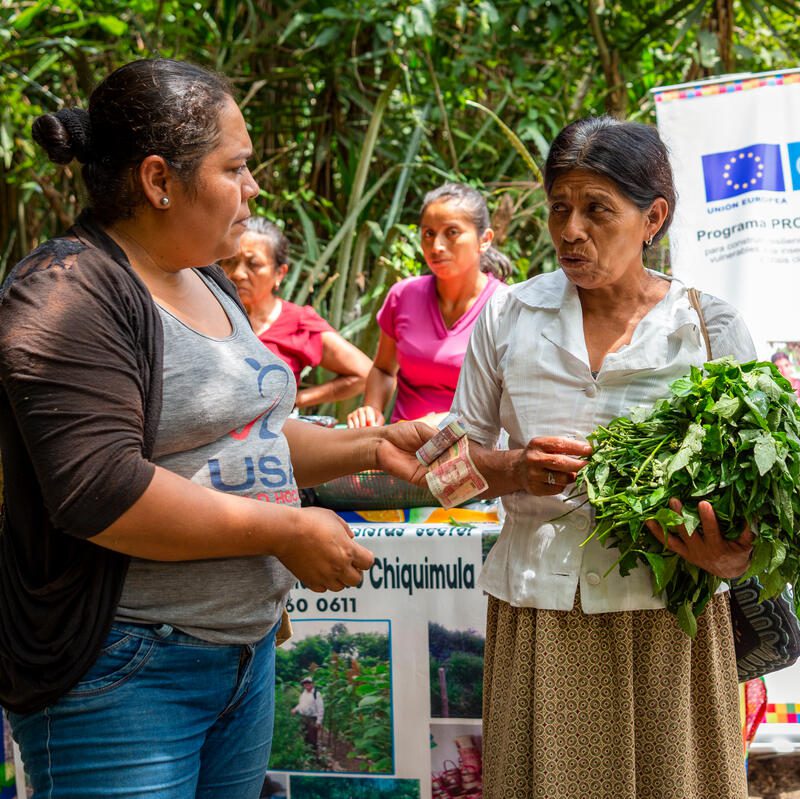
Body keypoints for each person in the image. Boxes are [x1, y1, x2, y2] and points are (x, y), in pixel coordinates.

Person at [0, 59, 432, 799]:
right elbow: (102, 491)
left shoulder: (202, 277)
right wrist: (282, 533)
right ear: (160, 180)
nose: (254, 188)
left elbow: (249, 438)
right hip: (125, 670)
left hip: (241, 656)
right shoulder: (66, 294)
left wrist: (368, 445)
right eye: (237, 167)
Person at [449, 117, 756, 799]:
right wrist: (512, 469)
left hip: (668, 616)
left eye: (597, 210)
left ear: (653, 218)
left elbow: (763, 485)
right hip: (541, 611)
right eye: (560, 207)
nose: (571, 231)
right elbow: (446, 460)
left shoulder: (707, 327)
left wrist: (733, 553)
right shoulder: (509, 318)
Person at [347, 183, 511, 428]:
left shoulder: (507, 306)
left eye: (452, 232)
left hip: (475, 455)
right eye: (428, 234)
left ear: (484, 239)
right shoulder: (402, 295)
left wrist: (437, 424)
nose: (437, 247)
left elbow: (507, 401)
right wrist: (371, 408)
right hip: (398, 449)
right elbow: (383, 369)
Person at [219, 216, 372, 409]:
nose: (238, 274)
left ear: (280, 273)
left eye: (253, 264)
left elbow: (364, 374)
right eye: (230, 262)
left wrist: (297, 400)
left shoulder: (298, 323)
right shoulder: (207, 311)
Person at [291, 676, 324, 752]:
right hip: (303, 717)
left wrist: (319, 721)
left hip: (312, 718)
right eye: (305, 683)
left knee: (312, 738)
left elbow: (321, 708)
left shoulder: (316, 694)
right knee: (304, 735)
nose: (307, 685)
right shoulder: (303, 694)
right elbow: (301, 704)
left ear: (312, 684)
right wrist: (295, 709)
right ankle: (306, 753)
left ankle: (314, 756)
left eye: (308, 683)